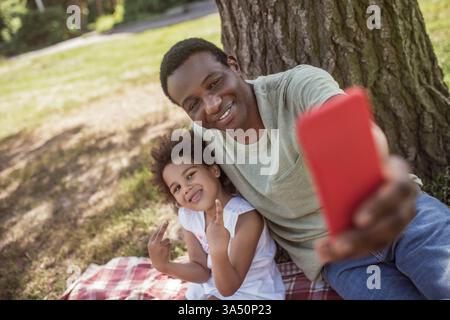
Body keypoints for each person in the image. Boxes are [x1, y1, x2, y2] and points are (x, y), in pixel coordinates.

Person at [156, 38, 450, 299]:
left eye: (214, 83)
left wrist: (384, 166)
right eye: (193, 104)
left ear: (234, 65)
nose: (211, 105)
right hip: (342, 259)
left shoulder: (297, 87)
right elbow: (180, 179)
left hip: (399, 215)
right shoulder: (203, 142)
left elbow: (357, 129)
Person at [148, 130, 285, 300]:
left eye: (190, 175)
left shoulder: (245, 219)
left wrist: (218, 250)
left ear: (214, 170)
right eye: (177, 188)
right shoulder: (190, 216)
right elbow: (202, 271)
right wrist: (165, 266)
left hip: (252, 293)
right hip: (211, 289)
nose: (186, 189)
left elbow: (229, 288)